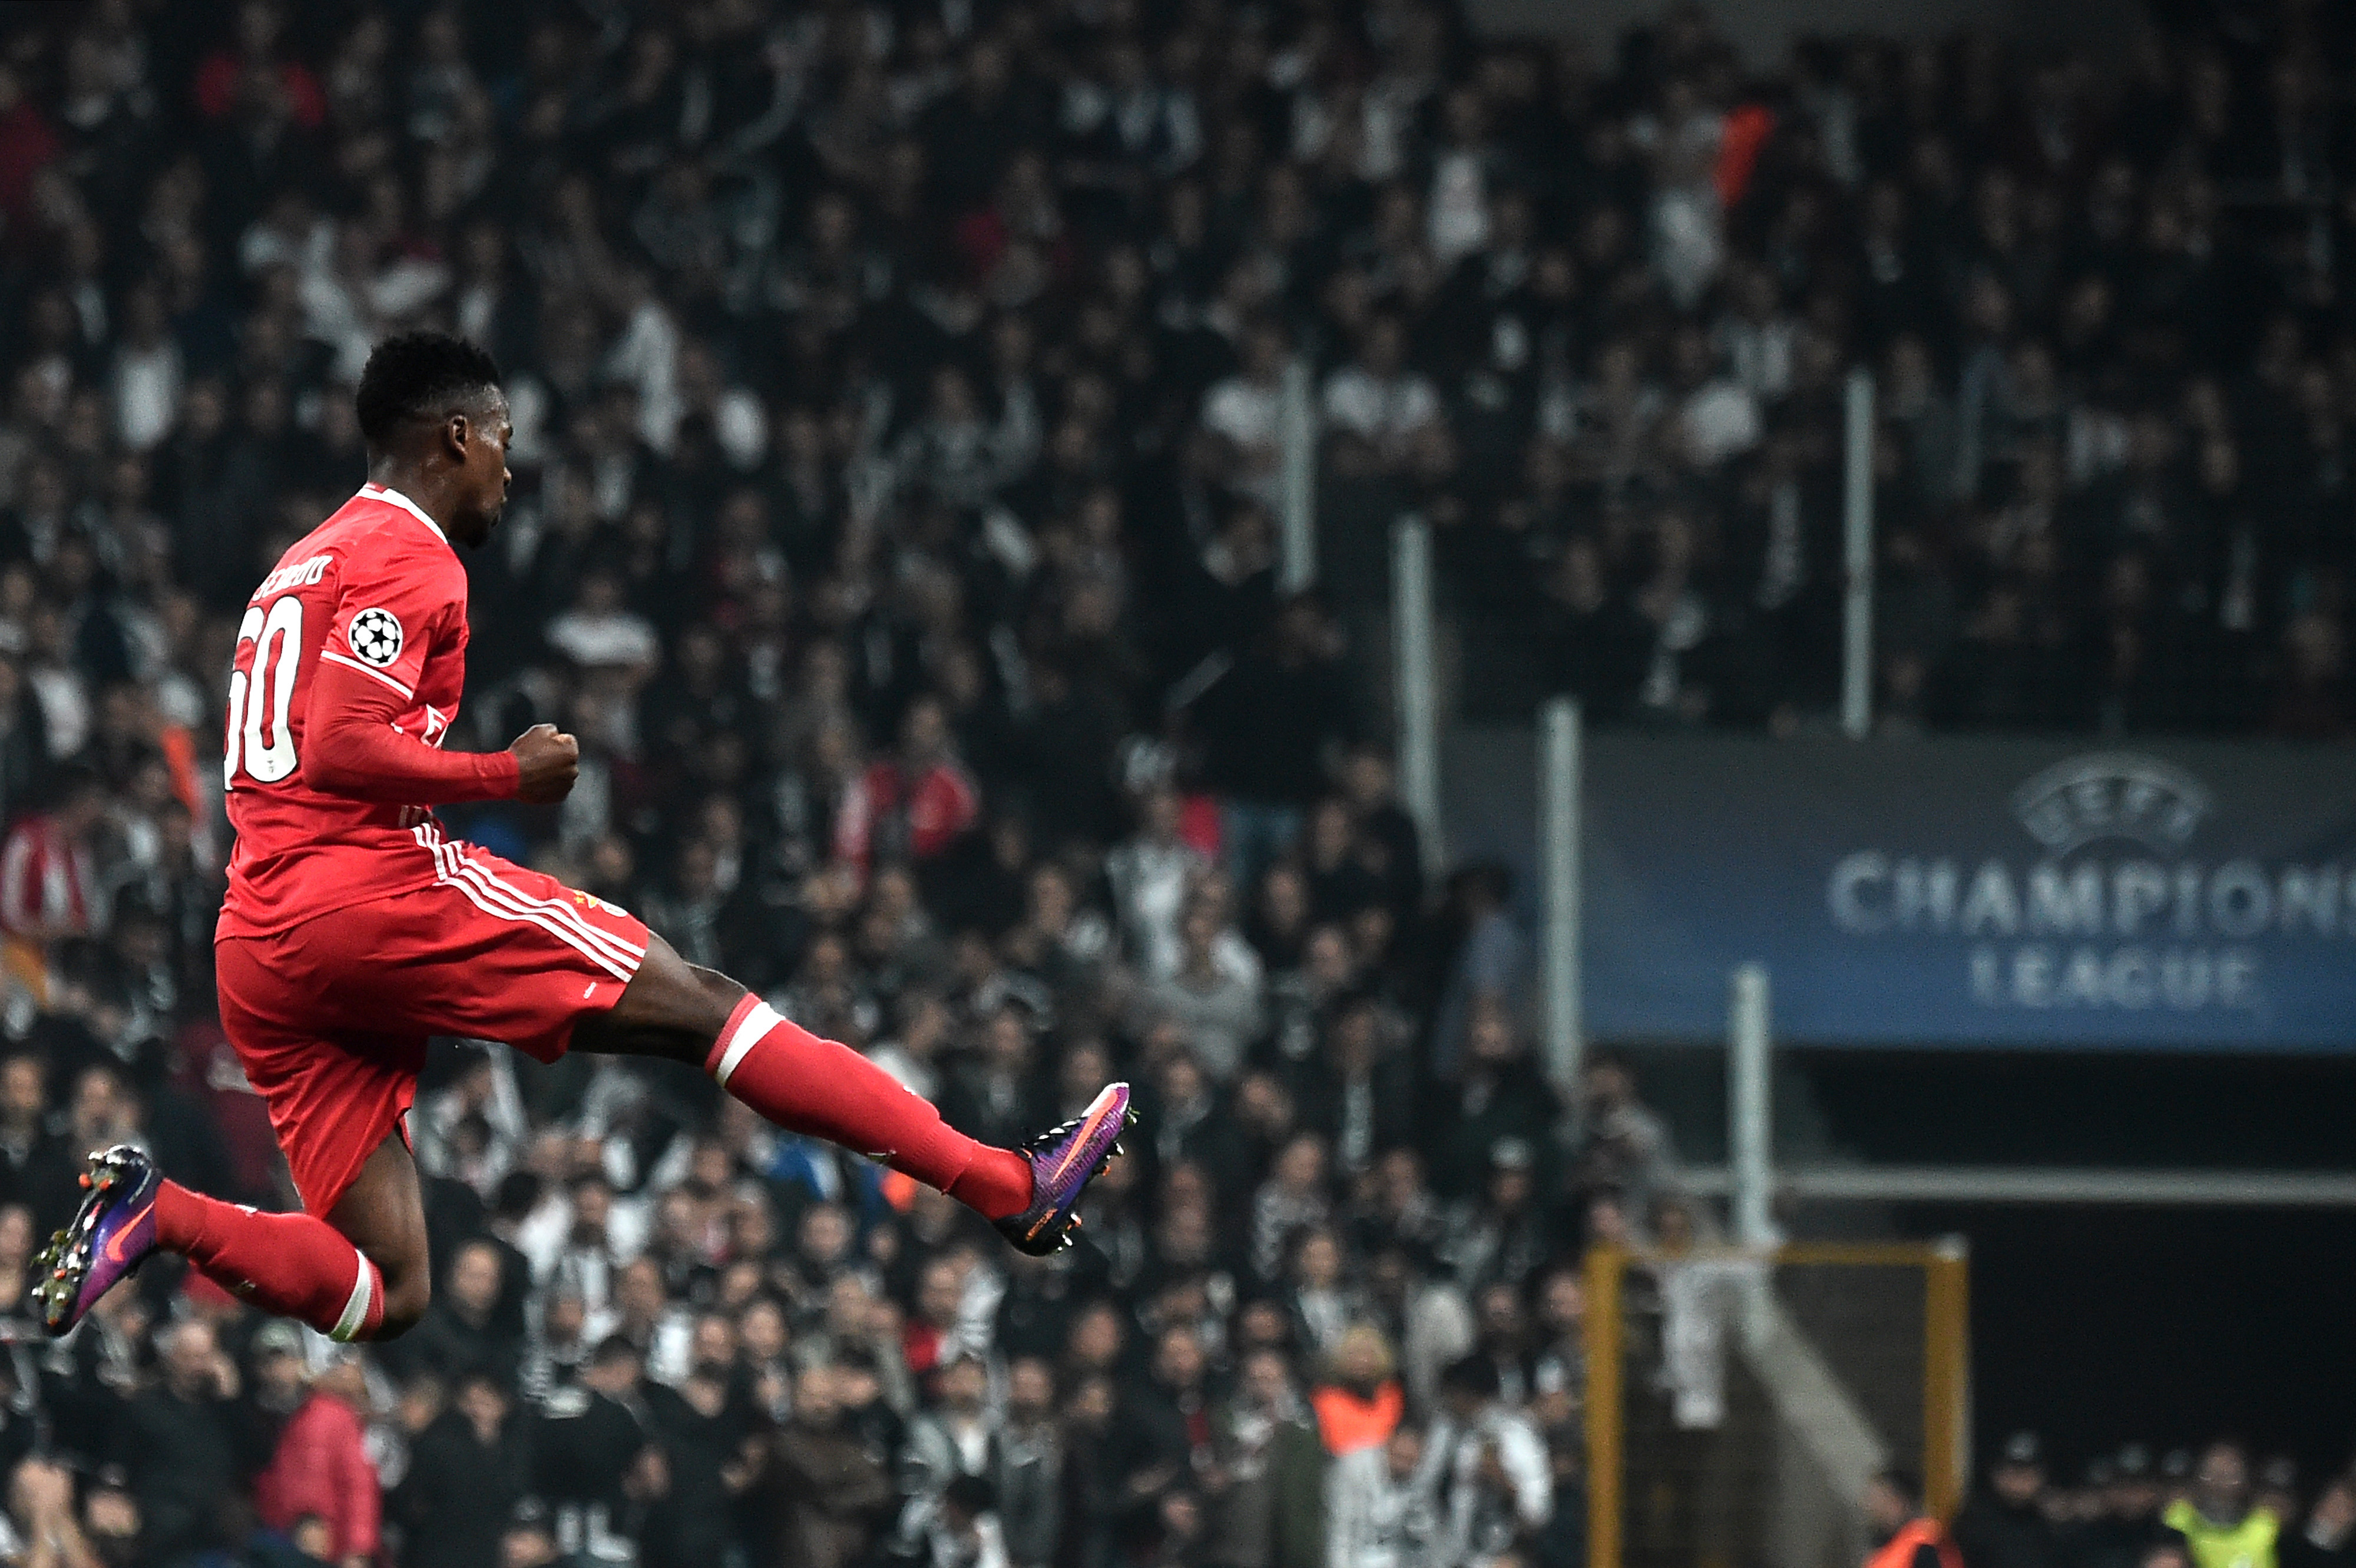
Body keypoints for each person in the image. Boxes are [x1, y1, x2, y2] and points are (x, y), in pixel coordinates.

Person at [35, 333, 1133, 1347]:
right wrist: (502, 774)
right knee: (702, 1003)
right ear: (454, 437)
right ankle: (1005, 1185)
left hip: (260, 942)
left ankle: (161, 1210)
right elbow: (338, 739)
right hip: (364, 892)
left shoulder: (299, 563)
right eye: (503, 442)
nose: (510, 471)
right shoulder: (411, 556)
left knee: (389, 1287)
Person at [2166, 1443, 2279, 1568]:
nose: (2219, 1485)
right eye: (2211, 1475)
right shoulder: (2176, 1520)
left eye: (2230, 1477)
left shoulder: (2265, 1527)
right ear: (2196, 1478)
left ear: (2247, 1482)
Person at [1865, 1468, 1964, 1568]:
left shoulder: (1923, 1543)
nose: (1876, 1510)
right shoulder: (1887, 1546)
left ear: (1901, 1501)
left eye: (1882, 1501)